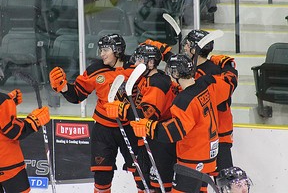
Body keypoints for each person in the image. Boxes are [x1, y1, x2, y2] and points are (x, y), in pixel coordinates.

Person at [130, 54, 238, 193]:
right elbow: (231, 81)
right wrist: (227, 65)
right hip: (210, 157)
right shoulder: (208, 84)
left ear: (175, 73)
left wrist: (148, 127)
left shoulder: (184, 100)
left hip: (192, 160)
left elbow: (174, 131)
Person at [49, 33, 140, 193]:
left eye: (105, 50)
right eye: (100, 50)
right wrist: (64, 87)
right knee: (102, 176)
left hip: (131, 127)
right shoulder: (95, 69)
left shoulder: (135, 68)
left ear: (117, 50)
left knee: (141, 174)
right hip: (104, 130)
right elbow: (77, 95)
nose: (101, 54)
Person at [104, 43, 177, 192]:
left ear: (150, 63)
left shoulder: (157, 82)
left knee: (159, 186)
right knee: (144, 183)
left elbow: (147, 114)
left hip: (160, 142)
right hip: (149, 138)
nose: (135, 64)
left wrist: (123, 109)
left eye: (139, 60)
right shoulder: (146, 79)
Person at [182, 30, 237, 179]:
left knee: (224, 179)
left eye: (188, 45)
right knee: (201, 179)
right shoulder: (190, 69)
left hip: (218, 133)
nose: (185, 47)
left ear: (196, 49)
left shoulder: (213, 72)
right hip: (203, 134)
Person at [0, 89, 51, 193]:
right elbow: (13, 131)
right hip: (8, 163)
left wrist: (10, 103)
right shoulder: (2, 101)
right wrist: (34, 121)